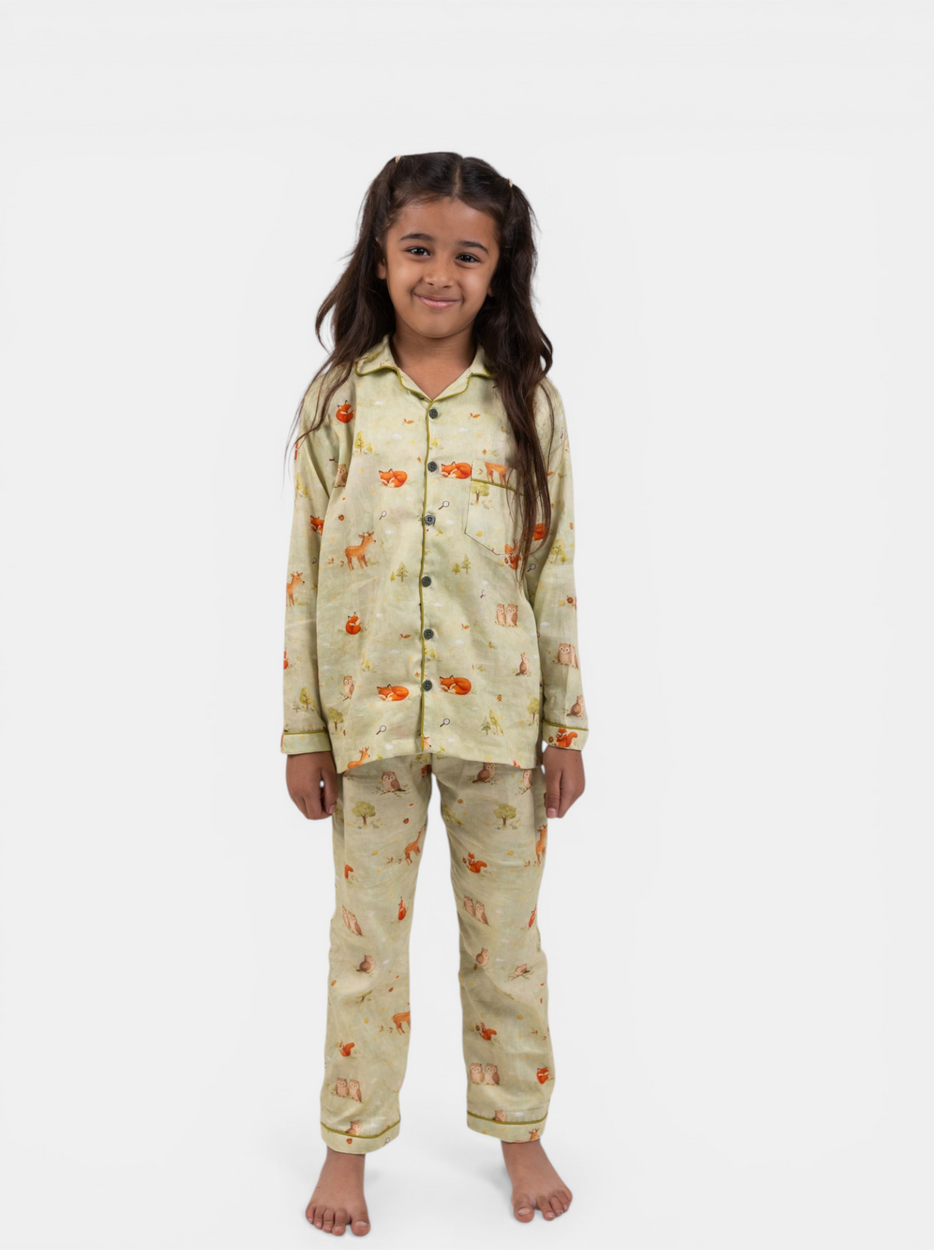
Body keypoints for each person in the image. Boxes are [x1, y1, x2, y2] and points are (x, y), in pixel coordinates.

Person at [281, 152, 589, 1236]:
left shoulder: (526, 404)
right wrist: (303, 731)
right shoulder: (337, 401)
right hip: (366, 723)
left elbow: (552, 568)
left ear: (499, 271)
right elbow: (306, 572)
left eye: (467, 255)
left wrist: (566, 726)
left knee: (506, 945)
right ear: (381, 256)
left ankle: (520, 1132)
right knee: (365, 945)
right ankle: (348, 1147)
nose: (440, 274)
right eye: (419, 248)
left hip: (500, 725)